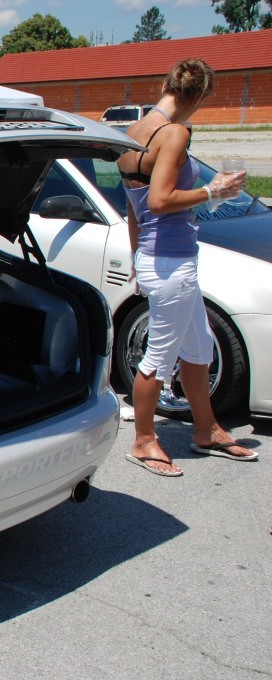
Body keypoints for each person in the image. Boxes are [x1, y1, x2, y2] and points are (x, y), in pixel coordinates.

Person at [117, 57, 257, 477]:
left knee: (199, 348)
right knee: (158, 358)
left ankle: (206, 429)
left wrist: (137, 258)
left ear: (166, 84)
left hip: (159, 257)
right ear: (200, 97)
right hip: (172, 260)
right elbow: (159, 200)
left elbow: (135, 209)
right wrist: (213, 191)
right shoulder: (175, 133)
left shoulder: (133, 132)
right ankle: (144, 441)